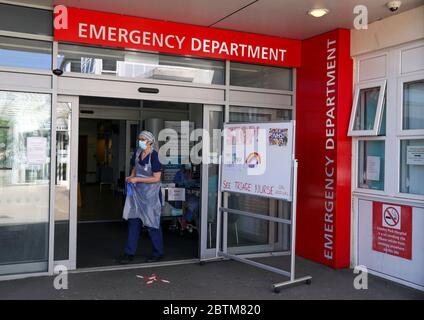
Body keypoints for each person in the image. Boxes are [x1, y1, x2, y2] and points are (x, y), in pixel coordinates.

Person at [119, 130, 163, 264]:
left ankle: (158, 252)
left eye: (143, 139)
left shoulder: (155, 156)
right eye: (139, 139)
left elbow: (157, 178)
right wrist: (132, 176)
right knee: (133, 222)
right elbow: (135, 167)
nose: (140, 141)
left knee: (152, 223)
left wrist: (137, 179)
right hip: (137, 195)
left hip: (151, 196)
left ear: (150, 142)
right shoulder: (138, 153)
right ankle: (129, 253)